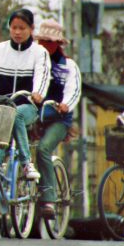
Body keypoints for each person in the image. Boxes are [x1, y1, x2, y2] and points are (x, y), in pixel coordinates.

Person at [0, 8, 51, 179]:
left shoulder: (40, 53)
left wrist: (38, 92)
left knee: (16, 114)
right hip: (0, 107)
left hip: (27, 107)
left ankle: (26, 163)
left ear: (31, 29)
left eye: (22, 28)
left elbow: (43, 75)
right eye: (14, 27)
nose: (17, 32)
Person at [33, 19, 81, 218]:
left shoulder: (68, 66)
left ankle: (49, 199)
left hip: (58, 118)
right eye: (42, 41)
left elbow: (74, 89)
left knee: (44, 148)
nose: (45, 45)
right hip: (36, 115)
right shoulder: (33, 60)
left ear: (58, 44)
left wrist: (66, 104)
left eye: (50, 42)